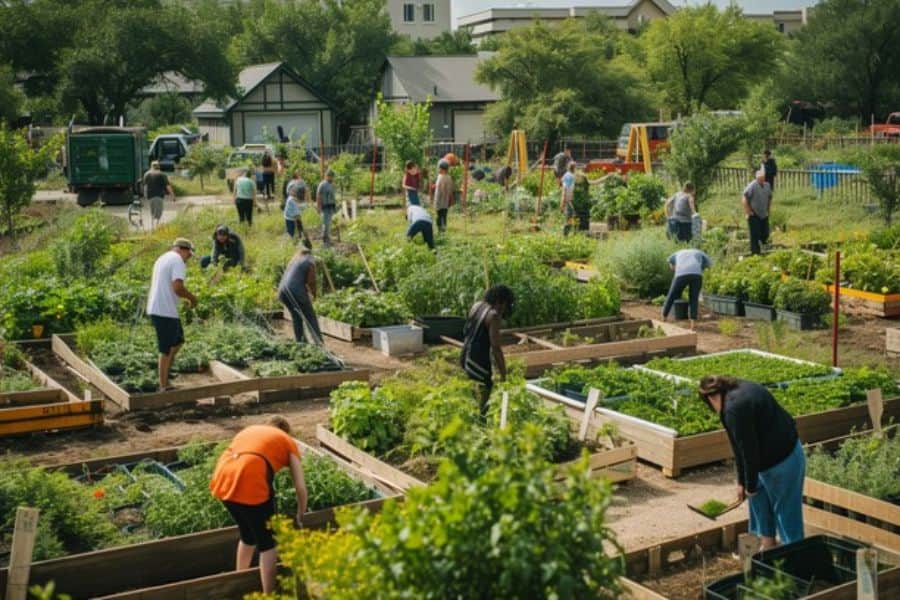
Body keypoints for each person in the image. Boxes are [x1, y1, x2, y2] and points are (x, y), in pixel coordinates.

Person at [698, 376, 805, 549]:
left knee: (786, 514)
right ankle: (766, 546)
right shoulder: (734, 393)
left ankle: (794, 560)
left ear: (711, 398)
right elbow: (738, 446)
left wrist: (750, 486)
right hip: (766, 460)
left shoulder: (734, 409)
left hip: (784, 459)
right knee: (758, 502)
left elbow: (748, 452)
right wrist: (743, 482)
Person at [209, 415, 308, 594]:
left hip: (223, 476)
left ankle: (239, 579)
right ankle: (268, 594)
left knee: (248, 535)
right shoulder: (288, 441)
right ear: (286, 431)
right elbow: (300, 487)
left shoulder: (250, 430)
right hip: (250, 475)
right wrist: (301, 514)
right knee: (268, 544)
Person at [147, 239, 197, 391]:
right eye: (189, 255)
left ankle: (166, 374)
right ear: (184, 250)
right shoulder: (177, 261)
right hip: (164, 310)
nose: (188, 258)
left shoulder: (163, 258)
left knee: (178, 341)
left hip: (161, 309)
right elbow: (177, 287)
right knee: (166, 348)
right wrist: (192, 298)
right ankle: (164, 385)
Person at [460, 285, 514, 416]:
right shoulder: (493, 316)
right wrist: (503, 374)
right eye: (506, 304)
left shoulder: (477, 305)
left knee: (472, 389)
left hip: (465, 354)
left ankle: (472, 415)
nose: (505, 309)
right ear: (500, 301)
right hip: (477, 359)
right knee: (485, 389)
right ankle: (481, 420)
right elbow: (496, 347)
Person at [278, 247, 321, 344]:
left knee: (296, 316)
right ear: (310, 254)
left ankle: (301, 343)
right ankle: (319, 344)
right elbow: (311, 281)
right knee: (310, 316)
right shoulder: (309, 260)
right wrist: (314, 294)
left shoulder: (294, 261)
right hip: (295, 290)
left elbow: (297, 279)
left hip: (282, 291)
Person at [662, 248, 711, 330]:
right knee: (694, 298)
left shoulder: (674, 255)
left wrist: (676, 271)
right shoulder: (701, 253)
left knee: (671, 295)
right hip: (696, 275)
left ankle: (664, 318)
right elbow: (706, 266)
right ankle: (693, 324)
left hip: (681, 273)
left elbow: (671, 265)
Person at [742, 170, 773, 255]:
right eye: (759, 179)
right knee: (755, 235)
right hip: (754, 214)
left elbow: (770, 197)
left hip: (764, 214)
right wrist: (748, 211)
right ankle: (755, 254)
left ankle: (765, 251)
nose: (761, 180)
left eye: (762, 178)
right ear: (756, 178)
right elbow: (744, 198)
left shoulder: (767, 185)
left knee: (765, 233)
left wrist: (768, 209)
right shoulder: (752, 185)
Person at [143, 160, 174, 229]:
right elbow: (168, 186)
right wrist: (173, 196)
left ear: (151, 166)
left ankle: (152, 226)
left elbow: (145, 187)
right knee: (158, 212)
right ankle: (156, 226)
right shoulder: (162, 174)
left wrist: (145, 196)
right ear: (159, 166)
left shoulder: (146, 174)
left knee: (152, 212)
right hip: (159, 196)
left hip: (150, 196)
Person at [433, 159, 454, 234]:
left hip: (441, 200)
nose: (438, 169)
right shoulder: (443, 176)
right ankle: (442, 229)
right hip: (444, 200)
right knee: (443, 215)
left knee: (440, 215)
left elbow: (444, 189)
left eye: (439, 168)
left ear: (442, 169)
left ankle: (440, 230)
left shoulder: (444, 178)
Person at [317, 169, 337, 246]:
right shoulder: (322, 185)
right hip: (325, 206)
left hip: (331, 206)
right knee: (325, 224)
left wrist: (334, 206)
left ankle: (328, 239)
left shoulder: (332, 184)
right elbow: (318, 196)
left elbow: (333, 196)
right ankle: (325, 241)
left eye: (332, 177)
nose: (331, 178)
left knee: (329, 224)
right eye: (330, 176)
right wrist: (318, 207)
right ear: (326, 176)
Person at [560, 162, 577, 236]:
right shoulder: (568, 176)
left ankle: (571, 234)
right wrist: (562, 203)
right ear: (574, 168)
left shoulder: (570, 176)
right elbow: (564, 190)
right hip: (568, 200)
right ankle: (565, 235)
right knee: (569, 217)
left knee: (572, 217)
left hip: (570, 200)